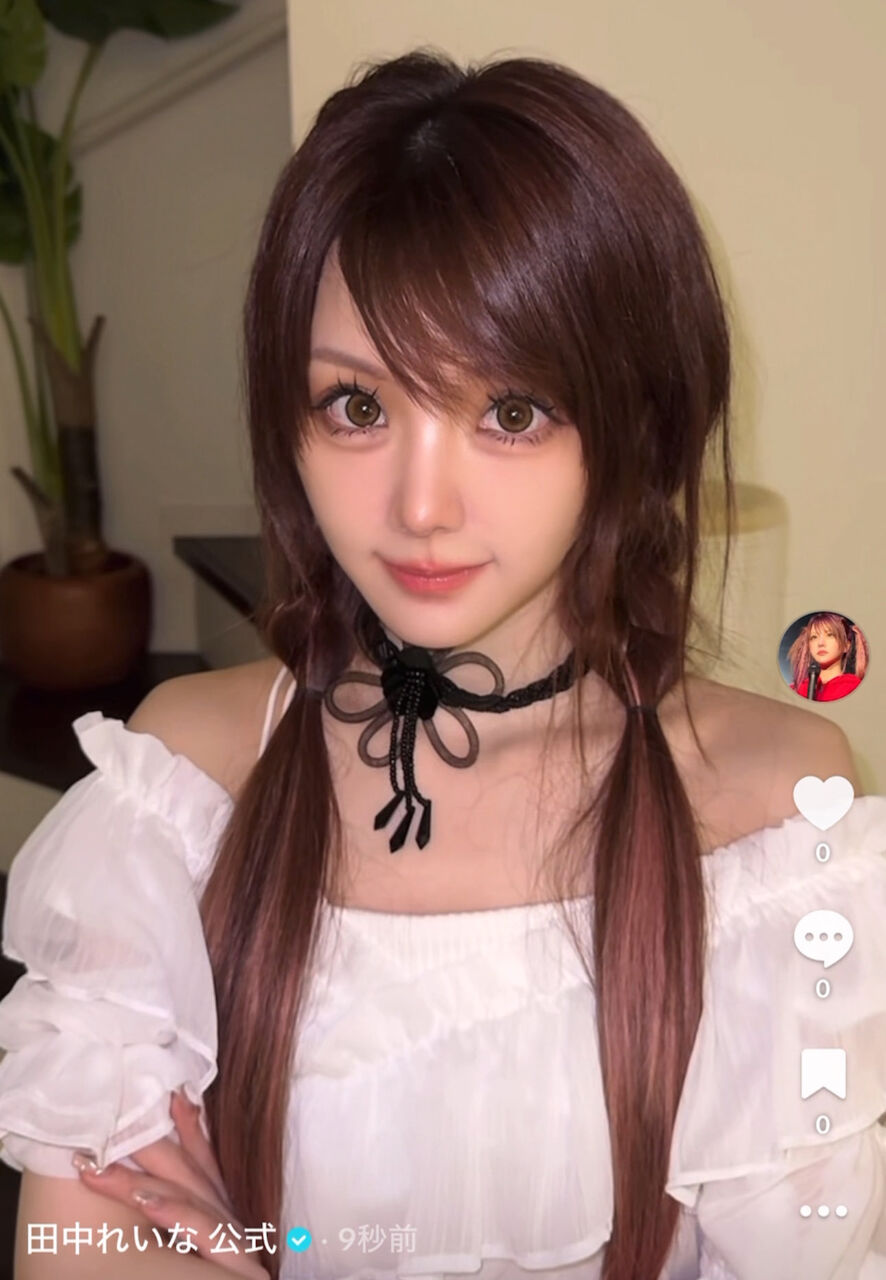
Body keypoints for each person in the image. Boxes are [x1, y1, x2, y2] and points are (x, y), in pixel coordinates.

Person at [1, 49, 885, 1280]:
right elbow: (75, 1248)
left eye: (510, 411)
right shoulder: (182, 787)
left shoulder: (779, 824)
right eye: (357, 407)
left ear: (635, 421)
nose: (420, 506)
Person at [788, 612, 868, 702]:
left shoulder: (853, 688)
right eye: (814, 637)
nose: (820, 643)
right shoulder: (797, 690)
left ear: (846, 646)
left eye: (830, 635)